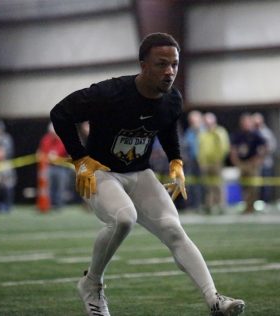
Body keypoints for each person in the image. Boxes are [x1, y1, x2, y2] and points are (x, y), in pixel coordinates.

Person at [50, 32, 245, 316]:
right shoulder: (110, 93)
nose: (170, 71)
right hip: (102, 173)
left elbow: (166, 127)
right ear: (143, 65)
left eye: (174, 64)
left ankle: (214, 299)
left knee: (174, 230)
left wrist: (176, 161)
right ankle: (91, 284)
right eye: (161, 64)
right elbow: (60, 113)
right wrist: (80, 158)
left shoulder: (171, 99)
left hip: (139, 172)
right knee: (124, 218)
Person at [230, 113, 266, 214]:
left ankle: (251, 206)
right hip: (242, 164)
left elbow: (264, 147)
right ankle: (246, 205)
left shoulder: (256, 134)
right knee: (243, 186)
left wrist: (258, 159)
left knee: (253, 187)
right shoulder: (238, 135)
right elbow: (233, 148)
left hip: (252, 164)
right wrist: (236, 161)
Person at [198, 112, 230, 214]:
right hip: (205, 164)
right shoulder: (202, 133)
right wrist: (201, 162)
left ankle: (221, 206)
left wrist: (219, 159)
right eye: (205, 122)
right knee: (208, 186)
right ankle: (210, 206)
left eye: (209, 122)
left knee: (218, 185)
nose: (207, 124)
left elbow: (224, 147)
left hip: (217, 163)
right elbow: (200, 149)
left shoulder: (220, 132)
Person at [38, 123, 73, 209]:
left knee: (60, 186)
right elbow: (40, 152)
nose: (53, 134)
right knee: (48, 186)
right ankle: (49, 204)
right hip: (49, 167)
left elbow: (69, 155)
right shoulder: (45, 139)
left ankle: (59, 205)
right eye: (51, 133)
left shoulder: (63, 140)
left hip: (61, 167)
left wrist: (58, 159)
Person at [252, 112, 277, 204]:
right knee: (256, 184)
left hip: (266, 163)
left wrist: (263, 153)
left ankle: (266, 202)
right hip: (254, 164)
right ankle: (255, 202)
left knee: (266, 183)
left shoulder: (266, 133)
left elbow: (272, 147)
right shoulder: (252, 133)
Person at [181, 110, 204, 210]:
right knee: (191, 185)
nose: (192, 122)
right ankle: (193, 205)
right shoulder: (189, 132)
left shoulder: (205, 131)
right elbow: (185, 146)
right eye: (191, 120)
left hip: (203, 162)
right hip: (191, 162)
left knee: (204, 185)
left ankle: (204, 204)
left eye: (194, 120)